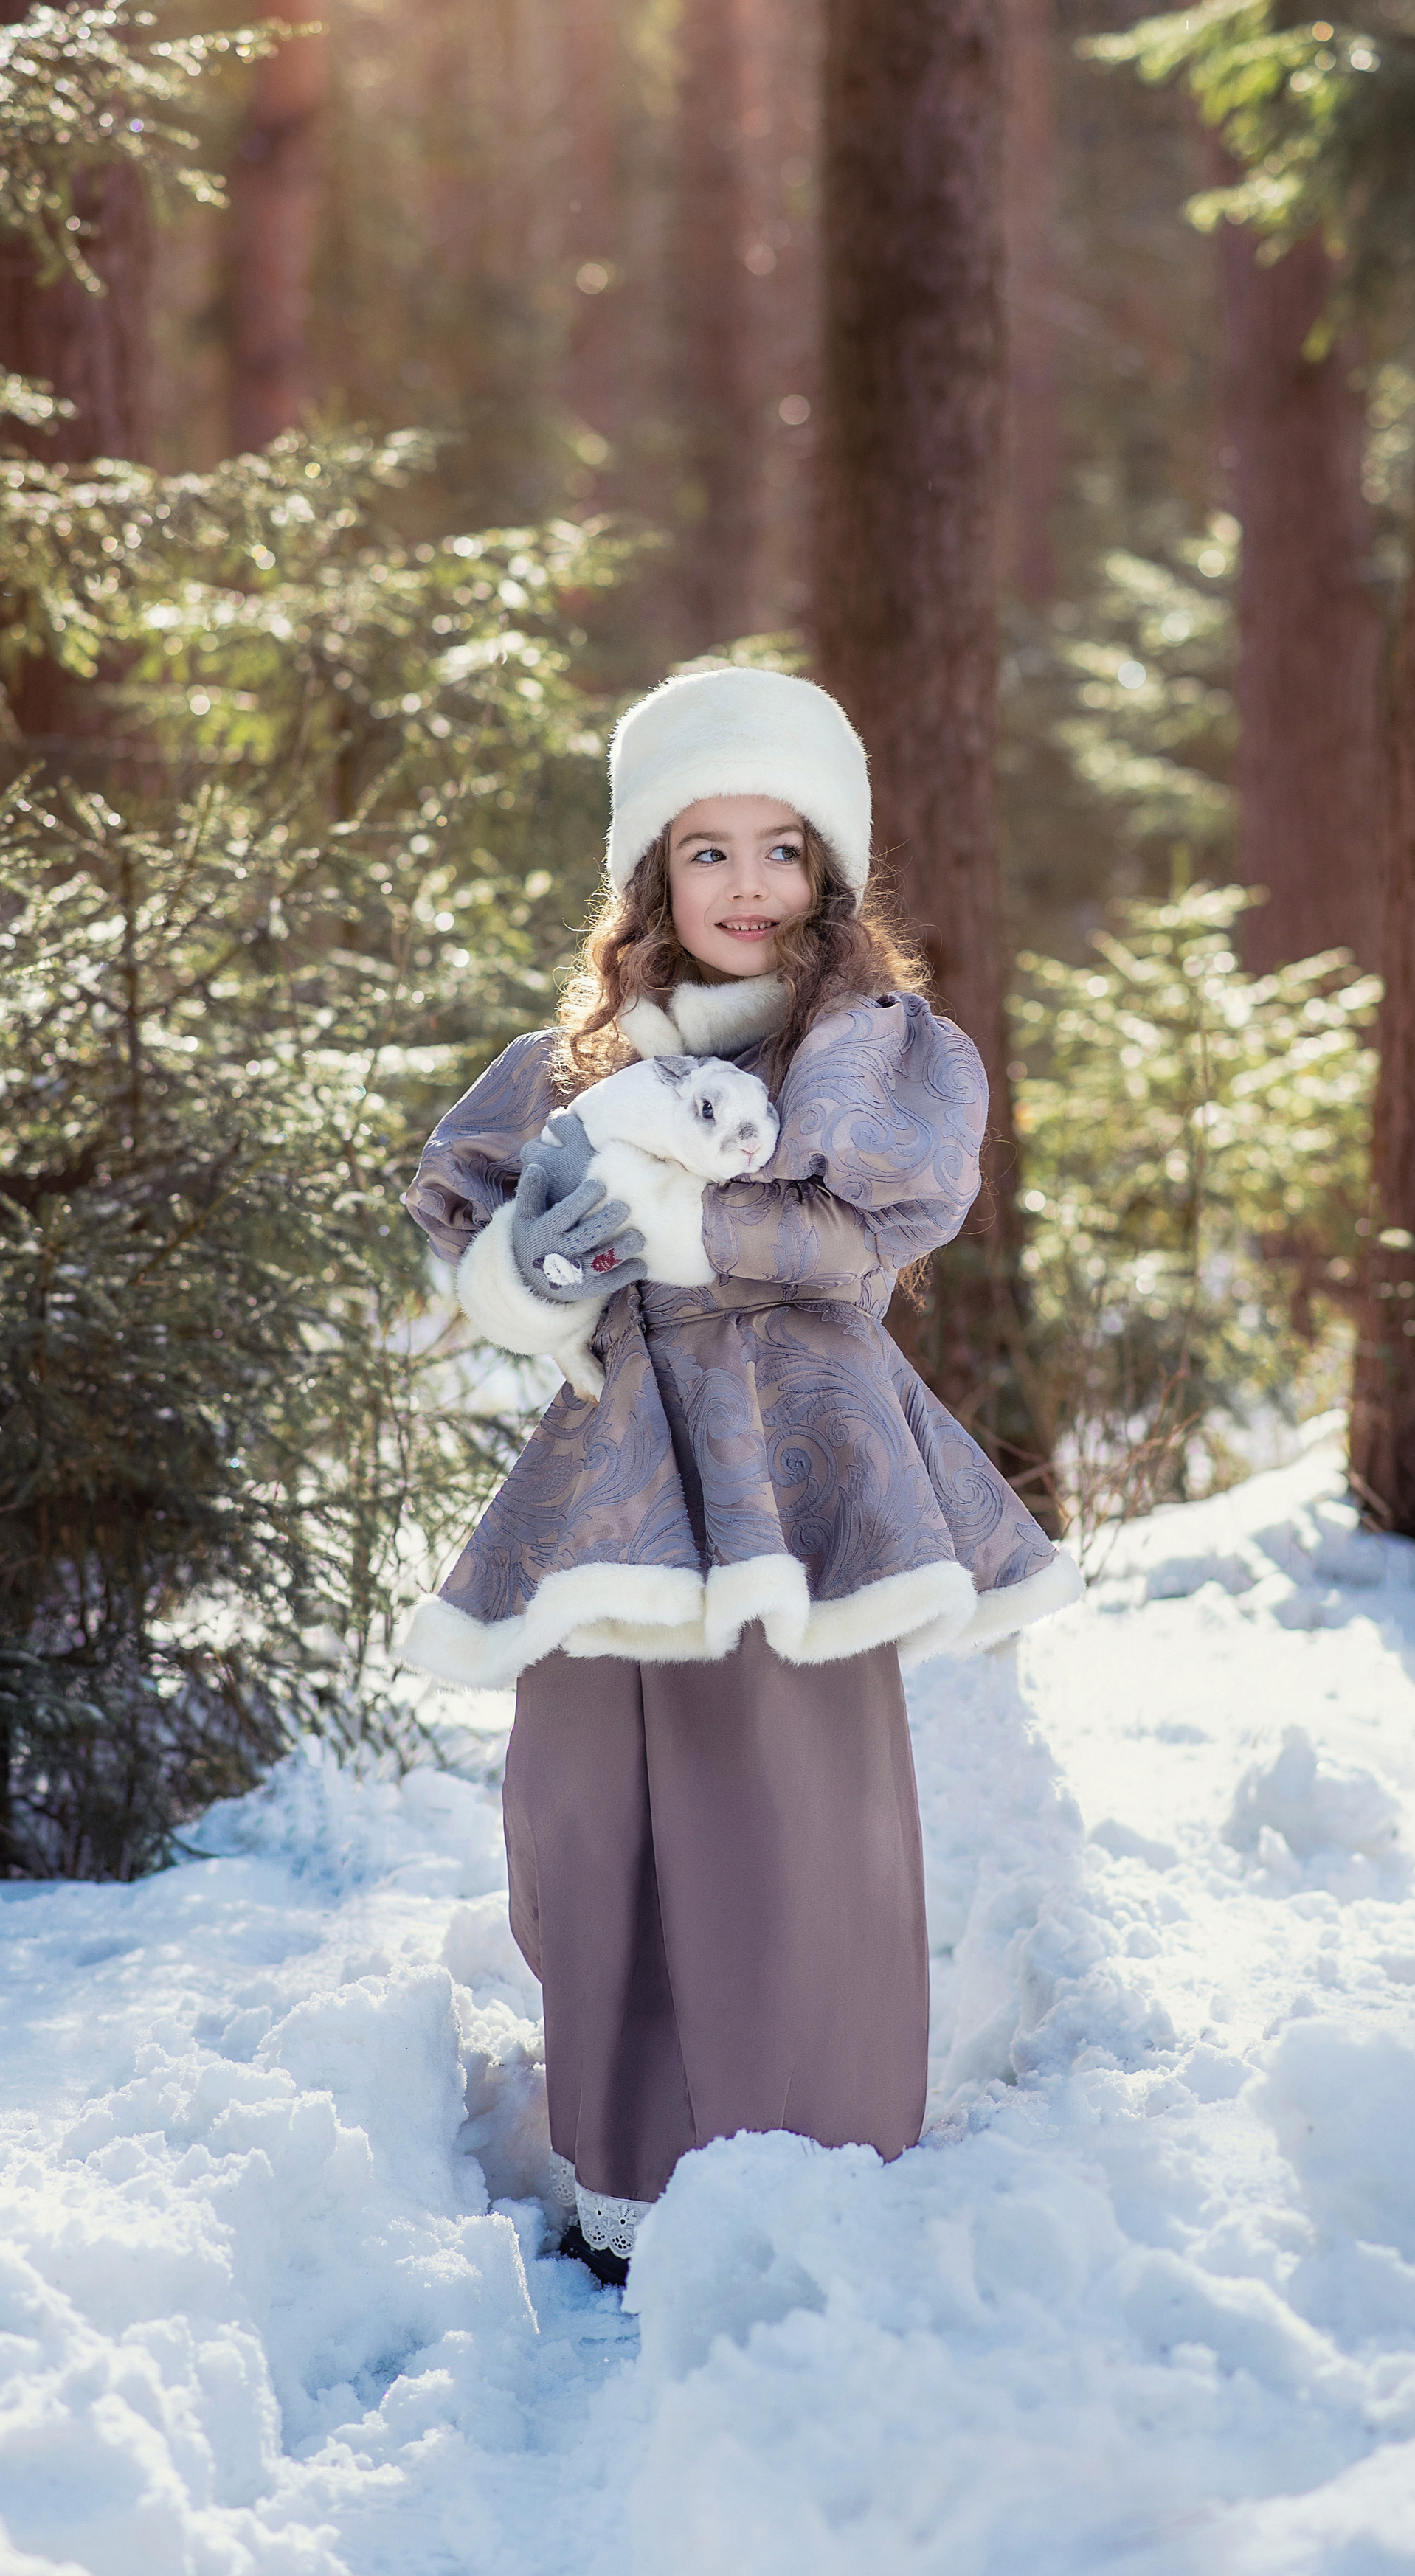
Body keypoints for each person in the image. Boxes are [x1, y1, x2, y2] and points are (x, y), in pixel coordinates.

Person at [402, 666, 1080, 2282]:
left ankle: (803, 2160)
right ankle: (626, 2170)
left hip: (800, 1459)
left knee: (777, 1803)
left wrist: (689, 1218)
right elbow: (472, 1234)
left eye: (780, 849)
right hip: (619, 1477)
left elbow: (871, 1237)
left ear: (827, 875)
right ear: (650, 878)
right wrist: (535, 1264)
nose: (748, 886)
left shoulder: (867, 1053)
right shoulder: (577, 1062)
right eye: (706, 853)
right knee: (585, 1806)